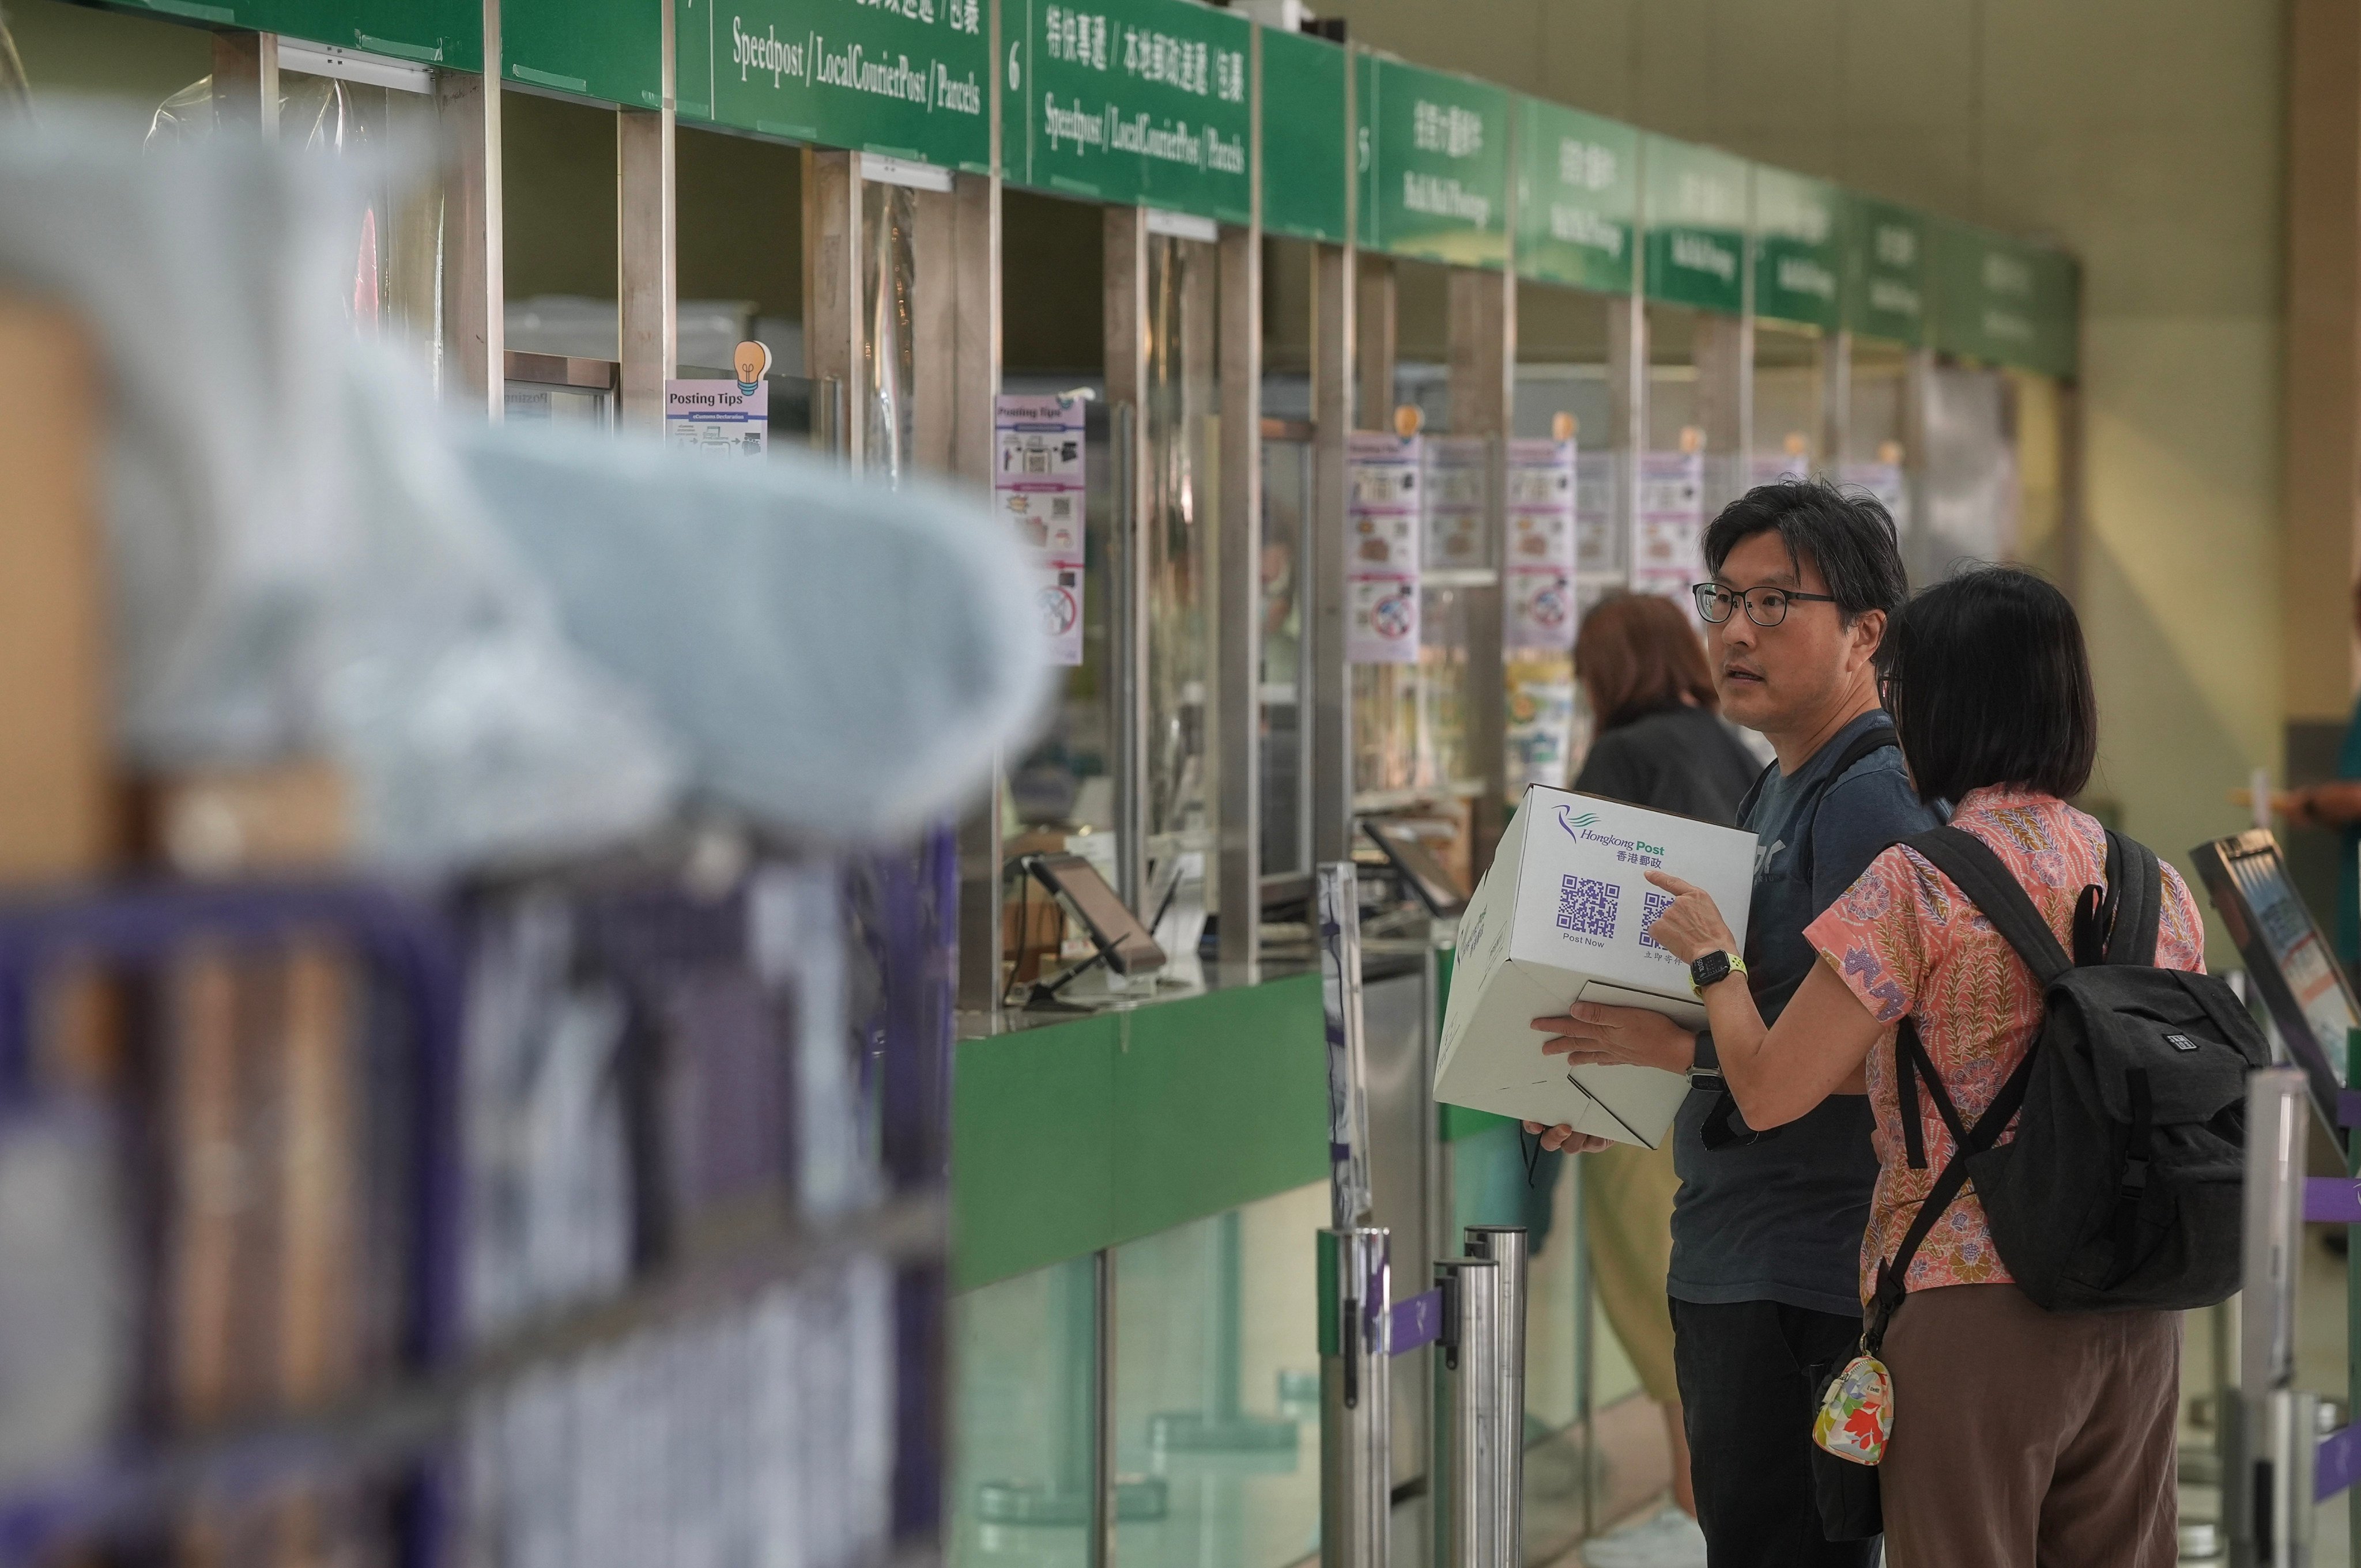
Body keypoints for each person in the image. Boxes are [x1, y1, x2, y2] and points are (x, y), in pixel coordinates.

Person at [1617, 565, 2203, 1565]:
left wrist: (1715, 956)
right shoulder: (2153, 880)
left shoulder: (1920, 884)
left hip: (1970, 1304)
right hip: (2133, 1311)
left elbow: (1769, 1089)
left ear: (1942, 703)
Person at [1525, 479, 1937, 1566]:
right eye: (1723, 601)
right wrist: (1624, 1089)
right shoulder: (1777, 786)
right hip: (1740, 1249)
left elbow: (1896, 1050)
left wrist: (1667, 1047)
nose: (1735, 632)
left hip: (1808, 1267)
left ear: (1865, 632)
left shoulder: (1869, 799)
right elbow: (1757, 1020)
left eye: (1774, 605)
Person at [1559, 590, 1759, 1517]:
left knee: (1678, 1365)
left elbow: (1571, 904)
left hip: (1641, 1069)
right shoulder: (1731, 742)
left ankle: (1695, 1528)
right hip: (1723, 1055)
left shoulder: (1620, 754)